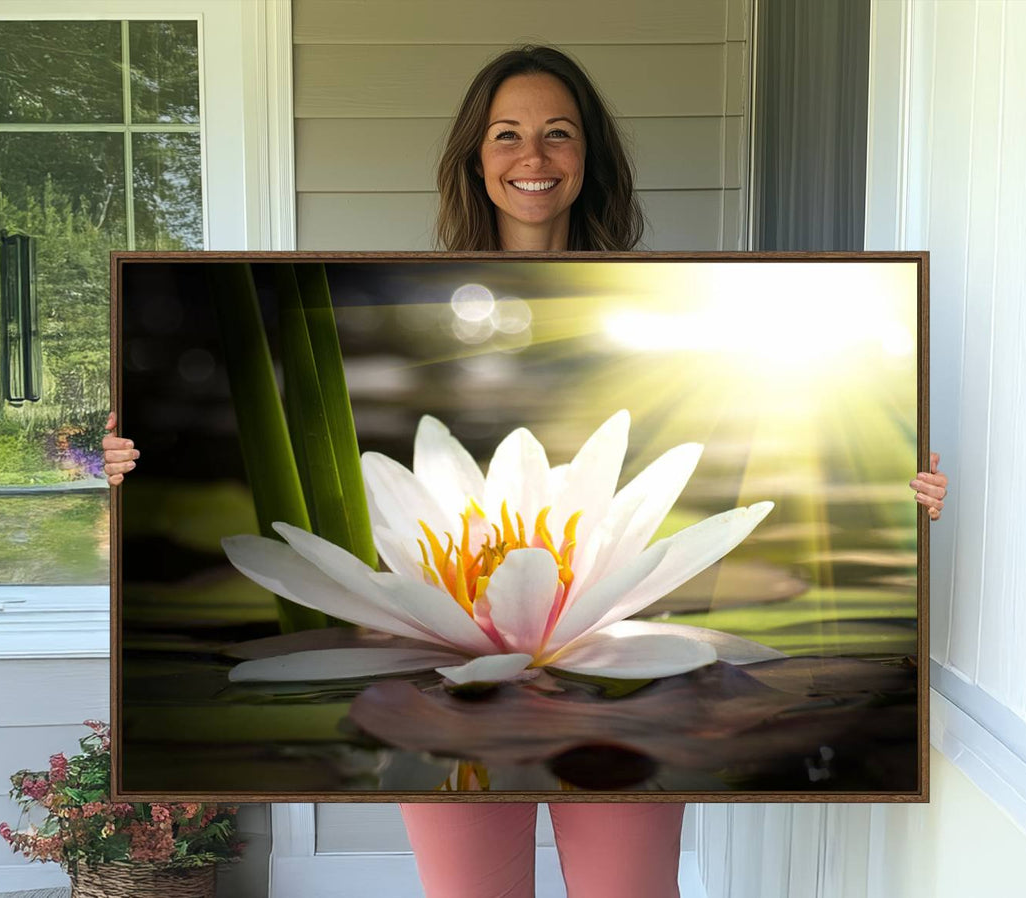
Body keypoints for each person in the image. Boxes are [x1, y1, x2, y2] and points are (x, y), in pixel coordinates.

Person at [103, 45, 948, 898]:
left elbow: (781, 420)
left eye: (558, 134)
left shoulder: (670, 304)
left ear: (590, 158)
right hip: (439, 681)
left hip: (614, 672)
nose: (532, 157)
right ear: (476, 157)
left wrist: (908, 495)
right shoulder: (421, 296)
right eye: (507, 135)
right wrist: (125, 461)